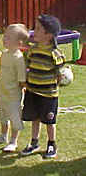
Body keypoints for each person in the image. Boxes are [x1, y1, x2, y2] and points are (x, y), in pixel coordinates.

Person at [20, 14, 65, 158]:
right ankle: (34, 142)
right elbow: (28, 65)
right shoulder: (33, 50)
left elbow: (60, 72)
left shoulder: (54, 54)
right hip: (32, 91)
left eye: (38, 29)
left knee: (49, 121)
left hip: (48, 95)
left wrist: (59, 79)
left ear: (49, 35)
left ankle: (52, 144)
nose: (34, 31)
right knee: (35, 118)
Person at [0, 24, 29, 152]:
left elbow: (22, 80)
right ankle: (3, 136)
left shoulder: (19, 59)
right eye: (4, 36)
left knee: (14, 118)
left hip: (13, 96)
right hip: (2, 93)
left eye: (8, 38)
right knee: (3, 116)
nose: (4, 39)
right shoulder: (4, 54)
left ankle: (13, 141)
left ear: (19, 43)